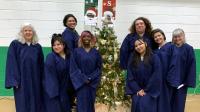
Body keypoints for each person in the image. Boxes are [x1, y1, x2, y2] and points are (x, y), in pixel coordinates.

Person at [5, 23, 44, 112]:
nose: (28, 32)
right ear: (21, 32)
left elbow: (41, 65)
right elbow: (12, 63)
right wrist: (14, 80)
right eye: (25, 30)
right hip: (21, 81)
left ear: (33, 32)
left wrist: (42, 81)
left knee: (36, 102)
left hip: (35, 81)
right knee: (22, 103)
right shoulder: (15, 45)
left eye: (30, 30)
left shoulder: (37, 47)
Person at [125, 38, 162, 112]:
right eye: (136, 46)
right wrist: (137, 89)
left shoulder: (154, 57)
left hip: (150, 90)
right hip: (137, 90)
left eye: (140, 44)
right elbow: (130, 76)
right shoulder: (132, 59)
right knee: (136, 102)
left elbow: (156, 75)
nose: (138, 47)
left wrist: (146, 90)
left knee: (145, 104)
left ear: (145, 44)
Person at [70, 31, 102, 112]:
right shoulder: (76, 51)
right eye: (84, 36)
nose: (86, 38)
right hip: (81, 84)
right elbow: (74, 68)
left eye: (88, 36)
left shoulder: (96, 52)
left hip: (92, 84)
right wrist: (84, 78)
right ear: (81, 38)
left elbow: (99, 68)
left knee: (91, 104)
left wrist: (90, 78)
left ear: (91, 38)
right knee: (81, 105)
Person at [151, 29, 179, 112]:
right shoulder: (155, 50)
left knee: (166, 102)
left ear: (163, 35)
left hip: (166, 80)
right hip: (157, 80)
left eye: (159, 35)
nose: (157, 38)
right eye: (155, 37)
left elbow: (174, 63)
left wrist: (169, 78)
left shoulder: (171, 47)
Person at [43, 34, 71, 112]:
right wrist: (54, 92)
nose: (56, 47)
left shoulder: (69, 57)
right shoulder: (51, 57)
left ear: (64, 45)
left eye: (58, 44)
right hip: (54, 92)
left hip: (65, 90)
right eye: (54, 45)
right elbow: (49, 76)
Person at [171, 28, 196, 112]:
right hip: (169, 81)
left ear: (183, 36)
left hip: (181, 82)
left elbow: (191, 66)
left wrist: (186, 82)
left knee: (179, 104)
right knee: (168, 103)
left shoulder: (188, 48)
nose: (177, 38)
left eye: (179, 36)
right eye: (175, 37)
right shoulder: (170, 47)